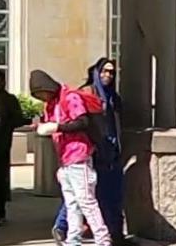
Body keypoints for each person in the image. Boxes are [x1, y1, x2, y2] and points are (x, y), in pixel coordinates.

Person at [30, 69, 109, 246]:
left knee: (86, 202)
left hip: (79, 155)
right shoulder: (51, 104)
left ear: (47, 88)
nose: (42, 98)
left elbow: (82, 122)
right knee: (72, 203)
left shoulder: (70, 97)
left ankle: (103, 240)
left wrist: (57, 127)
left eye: (41, 94)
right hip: (65, 160)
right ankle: (73, 240)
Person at [53, 58, 123, 245]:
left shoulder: (113, 97)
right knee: (82, 196)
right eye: (104, 71)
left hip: (110, 149)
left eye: (111, 72)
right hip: (90, 149)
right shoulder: (87, 92)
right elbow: (82, 121)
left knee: (103, 193)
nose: (108, 75)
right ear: (96, 72)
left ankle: (114, 232)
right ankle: (63, 227)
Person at [0, 70, 27, 227]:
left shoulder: (10, 100)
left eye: (1, 80)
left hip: (2, 144)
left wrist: (6, 123)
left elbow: (18, 119)